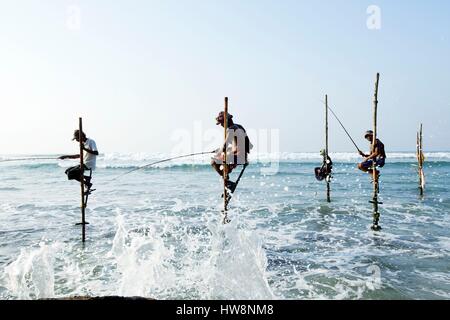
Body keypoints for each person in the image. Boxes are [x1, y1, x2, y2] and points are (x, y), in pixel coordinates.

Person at [211, 111, 253, 193]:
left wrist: (220, 151)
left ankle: (227, 181)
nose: (221, 126)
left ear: (225, 121)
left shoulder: (230, 130)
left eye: (221, 123)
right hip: (243, 156)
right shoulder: (239, 126)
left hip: (238, 157)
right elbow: (247, 145)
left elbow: (223, 148)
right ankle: (227, 179)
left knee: (214, 161)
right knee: (224, 156)